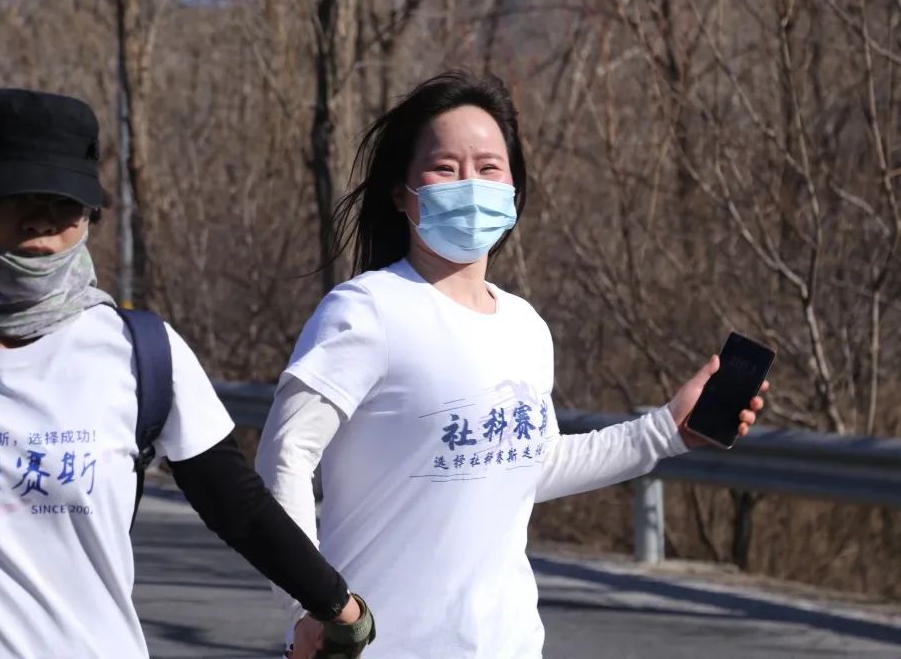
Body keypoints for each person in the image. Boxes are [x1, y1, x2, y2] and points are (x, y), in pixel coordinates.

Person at [0, 89, 373, 658]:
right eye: (10, 196)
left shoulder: (141, 351)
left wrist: (338, 607)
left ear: (90, 213)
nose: (38, 220)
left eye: (62, 203)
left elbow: (238, 505)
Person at [254, 70, 769, 658]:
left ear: (513, 189)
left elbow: (529, 465)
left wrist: (666, 431)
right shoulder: (366, 310)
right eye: (445, 168)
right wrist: (311, 608)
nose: (470, 186)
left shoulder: (525, 325)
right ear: (401, 193)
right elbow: (284, 456)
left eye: (488, 168)